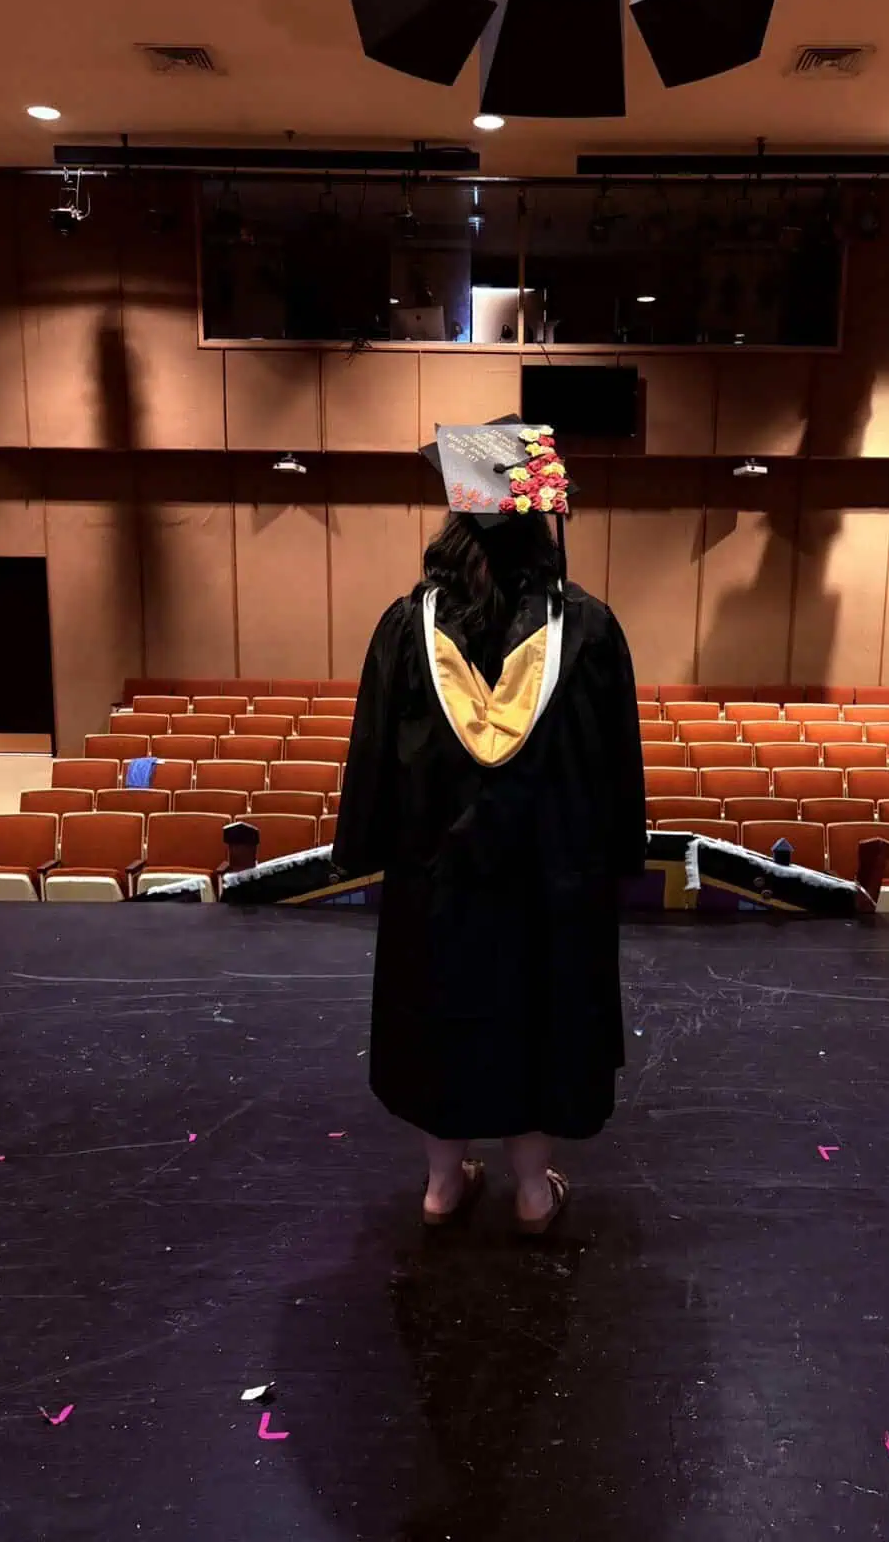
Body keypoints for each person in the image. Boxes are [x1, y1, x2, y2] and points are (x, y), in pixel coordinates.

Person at [333, 424, 645, 1234]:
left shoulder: (408, 629)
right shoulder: (590, 629)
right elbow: (617, 762)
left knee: (444, 1015)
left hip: (440, 882)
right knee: (539, 1018)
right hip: (552, 883)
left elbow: (372, 754)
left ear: (454, 522)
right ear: (541, 525)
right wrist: (616, 859)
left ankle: (443, 1187)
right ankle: (535, 1193)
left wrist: (369, 847)